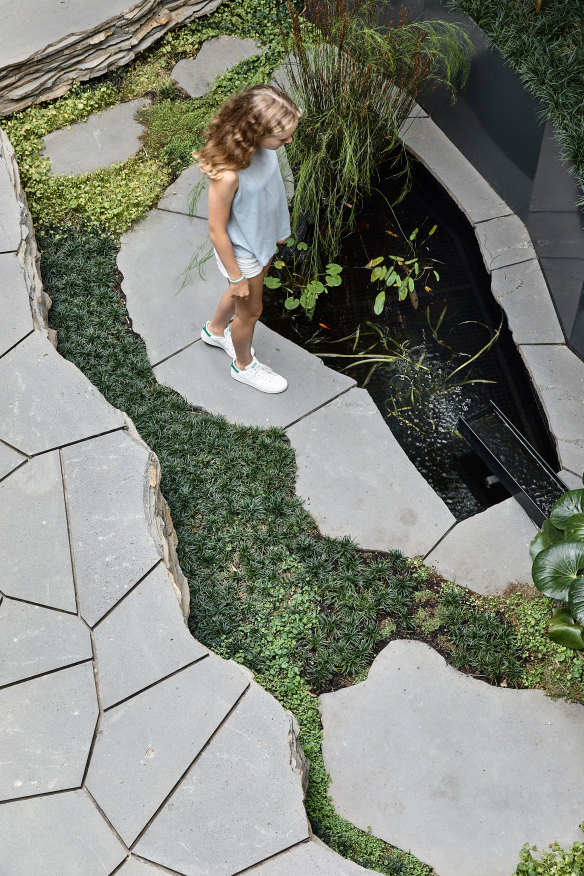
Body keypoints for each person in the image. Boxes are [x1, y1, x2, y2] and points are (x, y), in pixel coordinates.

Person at [194, 85, 301, 393]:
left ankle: (215, 330)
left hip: (263, 239)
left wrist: (281, 229)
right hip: (242, 253)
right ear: (255, 132)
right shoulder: (228, 174)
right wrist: (236, 275)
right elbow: (217, 231)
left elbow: (273, 191)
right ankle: (243, 366)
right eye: (282, 138)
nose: (288, 141)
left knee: (243, 295)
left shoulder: (266, 150)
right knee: (250, 312)